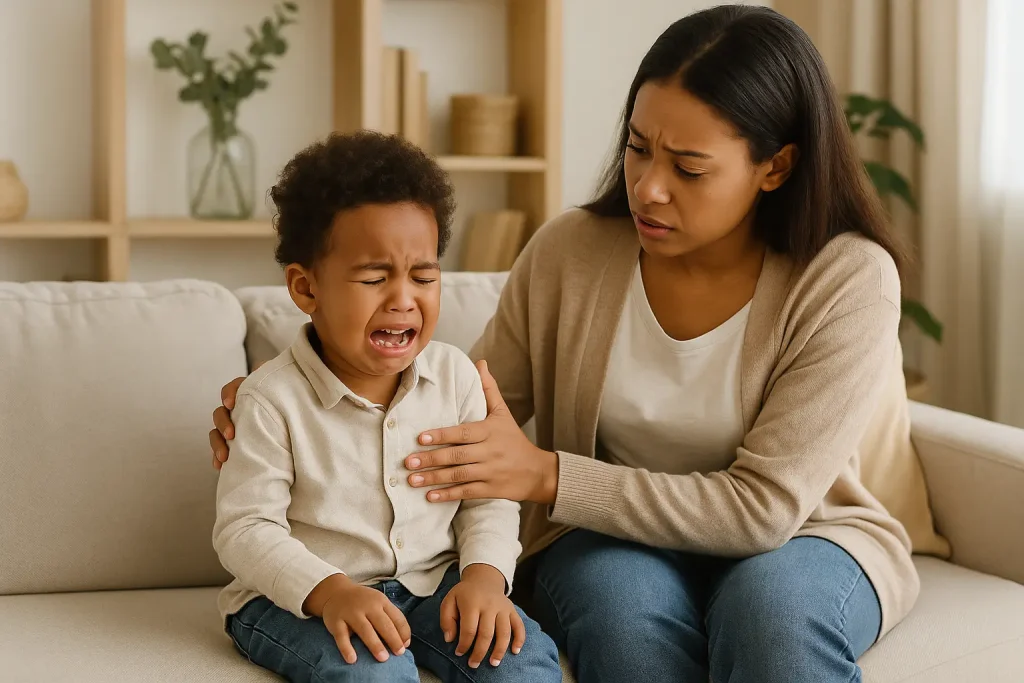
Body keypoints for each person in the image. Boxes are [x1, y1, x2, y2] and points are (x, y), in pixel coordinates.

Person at [211, 6, 922, 683]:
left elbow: (763, 510)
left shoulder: (846, 278)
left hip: (804, 536)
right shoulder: (574, 250)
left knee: (772, 615)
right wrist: (301, 396)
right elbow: (459, 416)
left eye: (689, 167)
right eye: (638, 148)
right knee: (620, 618)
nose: (647, 187)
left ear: (776, 165)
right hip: (611, 543)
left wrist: (549, 476)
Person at [211, 131, 562, 683]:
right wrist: (331, 593)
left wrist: (484, 578)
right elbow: (245, 529)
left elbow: (487, 497)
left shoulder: (457, 378)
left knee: (520, 662)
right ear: (306, 288)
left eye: (423, 276)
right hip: (298, 597)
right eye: (375, 278)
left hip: (432, 583)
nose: (404, 298)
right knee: (375, 673)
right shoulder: (270, 399)